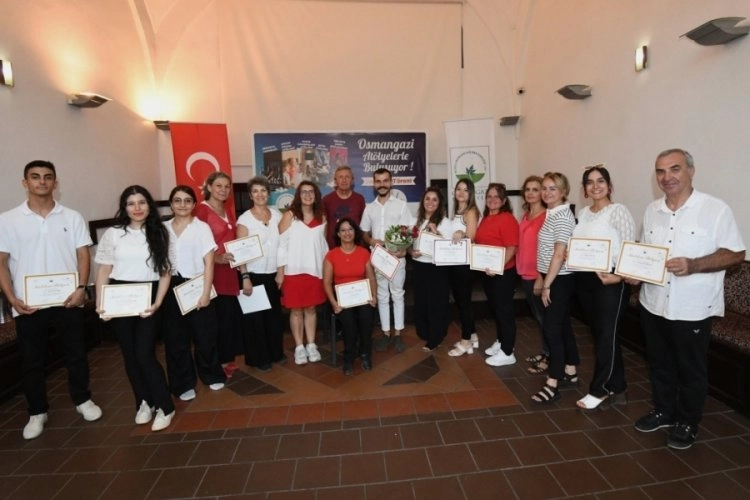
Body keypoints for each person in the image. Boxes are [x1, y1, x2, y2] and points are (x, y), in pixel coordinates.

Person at [633, 148, 744, 450]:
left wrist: (694, 265)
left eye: (675, 169)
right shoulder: (652, 210)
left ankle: (687, 422)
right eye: (660, 171)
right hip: (653, 302)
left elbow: (736, 253)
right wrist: (636, 273)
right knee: (659, 363)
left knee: (690, 369)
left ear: (691, 171)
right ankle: (664, 411)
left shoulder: (715, 209)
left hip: (692, 308)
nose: (666, 177)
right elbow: (646, 253)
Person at [0, 160, 102, 440]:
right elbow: (2, 262)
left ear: (55, 183)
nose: (42, 181)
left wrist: (81, 288)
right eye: (35, 177)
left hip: (68, 299)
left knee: (76, 354)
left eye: (47, 177)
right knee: (32, 360)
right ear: (25, 183)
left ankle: (83, 399)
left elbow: (83, 255)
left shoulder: (72, 217)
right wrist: (12, 298)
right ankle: (37, 411)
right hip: (28, 304)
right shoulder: (7, 220)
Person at [95, 185, 174, 431]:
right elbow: (104, 270)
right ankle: (143, 402)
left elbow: (165, 271)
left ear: (149, 205)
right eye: (131, 203)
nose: (137, 208)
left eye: (142, 202)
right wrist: (101, 303)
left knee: (144, 354)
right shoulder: (113, 234)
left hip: (149, 296)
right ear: (124, 207)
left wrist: (158, 302)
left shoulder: (160, 232)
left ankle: (165, 406)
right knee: (129, 355)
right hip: (119, 296)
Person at [572, 166, 635, 410]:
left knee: (607, 335)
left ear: (609, 186)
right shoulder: (584, 213)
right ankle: (617, 385)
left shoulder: (618, 211)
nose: (595, 186)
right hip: (586, 280)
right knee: (600, 335)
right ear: (584, 189)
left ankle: (600, 389)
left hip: (611, 280)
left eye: (600, 181)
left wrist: (618, 277)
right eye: (589, 182)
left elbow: (629, 249)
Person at [162, 185, 226, 401]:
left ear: (194, 204)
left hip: (197, 284)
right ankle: (183, 383)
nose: (182, 205)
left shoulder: (201, 228)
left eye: (187, 200)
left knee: (205, 336)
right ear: (171, 204)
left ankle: (211, 374)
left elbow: (209, 262)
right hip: (170, 285)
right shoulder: (162, 228)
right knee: (176, 339)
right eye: (177, 200)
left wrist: (206, 293)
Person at [531, 172, 580, 404]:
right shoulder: (552, 213)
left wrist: (547, 284)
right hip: (552, 277)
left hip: (559, 280)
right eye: (544, 188)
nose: (547, 192)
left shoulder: (561, 216)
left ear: (563, 191)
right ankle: (571, 370)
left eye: (553, 188)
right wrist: (542, 277)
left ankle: (553, 382)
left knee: (552, 330)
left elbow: (559, 254)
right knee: (562, 327)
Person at [194, 172, 243, 378]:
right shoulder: (201, 211)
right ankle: (214, 364)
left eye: (227, 186)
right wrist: (216, 258)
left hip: (229, 273)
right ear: (209, 187)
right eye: (219, 186)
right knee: (212, 322)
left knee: (227, 319)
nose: (223, 190)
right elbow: (195, 243)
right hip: (212, 273)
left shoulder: (227, 210)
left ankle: (225, 359)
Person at [361, 168, 413, 353]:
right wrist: (371, 241)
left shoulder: (401, 205)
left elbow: (408, 231)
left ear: (391, 182)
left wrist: (403, 249)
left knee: (397, 294)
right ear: (374, 184)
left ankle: (398, 333)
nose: (382, 184)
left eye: (385, 181)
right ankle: (385, 332)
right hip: (378, 259)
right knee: (382, 295)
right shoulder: (369, 208)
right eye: (378, 181)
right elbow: (364, 233)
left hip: (396, 258)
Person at [237, 176, 286, 371]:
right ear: (250, 195)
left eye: (263, 190)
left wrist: (280, 272)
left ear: (268, 193)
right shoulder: (244, 220)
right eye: (255, 191)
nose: (260, 194)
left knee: (273, 317)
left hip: (272, 274)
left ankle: (275, 352)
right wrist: (245, 278)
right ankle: (259, 358)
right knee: (255, 320)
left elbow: (282, 245)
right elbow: (240, 252)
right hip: (253, 274)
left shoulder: (277, 215)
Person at [278, 181, 328, 365]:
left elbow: (323, 247)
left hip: (314, 271)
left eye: (311, 192)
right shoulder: (289, 216)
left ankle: (311, 344)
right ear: (298, 195)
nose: (308, 195)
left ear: (316, 195)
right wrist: (280, 272)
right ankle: (299, 346)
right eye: (304, 192)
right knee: (296, 310)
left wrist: (325, 272)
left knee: (311, 308)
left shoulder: (322, 217)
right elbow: (281, 247)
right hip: (293, 271)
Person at [323, 218, 377, 374]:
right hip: (342, 299)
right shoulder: (331, 255)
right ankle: (348, 358)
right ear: (338, 234)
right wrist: (334, 303)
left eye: (350, 229)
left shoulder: (363, 253)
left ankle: (365, 354)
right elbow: (327, 283)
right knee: (349, 323)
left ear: (355, 232)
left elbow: (371, 277)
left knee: (367, 318)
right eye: (343, 230)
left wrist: (374, 296)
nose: (347, 233)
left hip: (362, 296)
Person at [474, 183, 519, 366]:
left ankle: (508, 352)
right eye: (489, 196)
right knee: (496, 309)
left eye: (497, 196)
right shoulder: (486, 218)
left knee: (504, 311)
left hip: (503, 273)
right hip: (488, 273)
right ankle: (501, 342)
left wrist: (497, 266)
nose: (492, 200)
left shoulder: (507, 219)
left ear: (504, 200)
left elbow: (512, 248)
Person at [408, 187, 452, 351]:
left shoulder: (445, 223)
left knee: (436, 303)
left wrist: (436, 232)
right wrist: (411, 252)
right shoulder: (415, 221)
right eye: (427, 198)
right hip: (419, 266)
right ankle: (425, 332)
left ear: (439, 203)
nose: (430, 202)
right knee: (421, 301)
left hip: (437, 268)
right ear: (423, 201)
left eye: (434, 199)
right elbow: (408, 244)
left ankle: (436, 337)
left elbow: (449, 248)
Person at [515, 175, 549, 372]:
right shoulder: (526, 215)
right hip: (524, 273)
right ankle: (545, 351)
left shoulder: (546, 216)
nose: (530, 193)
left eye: (535, 189)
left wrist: (541, 277)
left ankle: (549, 357)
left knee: (546, 319)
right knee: (538, 317)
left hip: (538, 276)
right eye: (528, 189)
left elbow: (548, 249)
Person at [446, 179, 480, 357]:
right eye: (459, 189)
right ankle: (473, 336)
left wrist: (463, 233)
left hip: (464, 264)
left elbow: (472, 236)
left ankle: (466, 341)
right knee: (461, 301)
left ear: (471, 193)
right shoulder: (455, 212)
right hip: (454, 262)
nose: (461, 192)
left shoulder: (471, 211)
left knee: (464, 303)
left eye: (465, 190)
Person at [322, 165, 366, 248]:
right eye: (340, 177)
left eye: (347, 177)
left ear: (352, 180)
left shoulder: (359, 199)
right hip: (333, 248)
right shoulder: (326, 200)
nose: (344, 180)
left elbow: (364, 226)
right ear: (335, 181)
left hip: (355, 247)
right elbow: (323, 226)